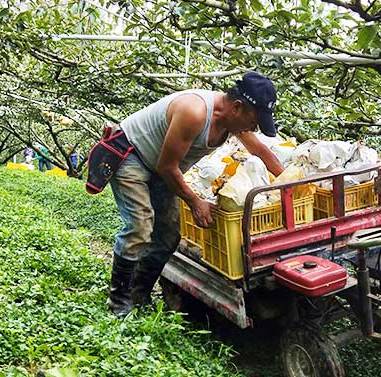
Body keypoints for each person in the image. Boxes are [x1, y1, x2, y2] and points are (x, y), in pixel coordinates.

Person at [108, 72, 285, 316]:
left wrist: (287, 182)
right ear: (237, 107)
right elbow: (167, 167)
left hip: (162, 167)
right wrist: (195, 201)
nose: (253, 129)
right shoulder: (195, 113)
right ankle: (119, 301)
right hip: (131, 156)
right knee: (140, 226)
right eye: (253, 122)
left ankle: (139, 295)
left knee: (168, 235)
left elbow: (260, 151)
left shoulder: (233, 121)